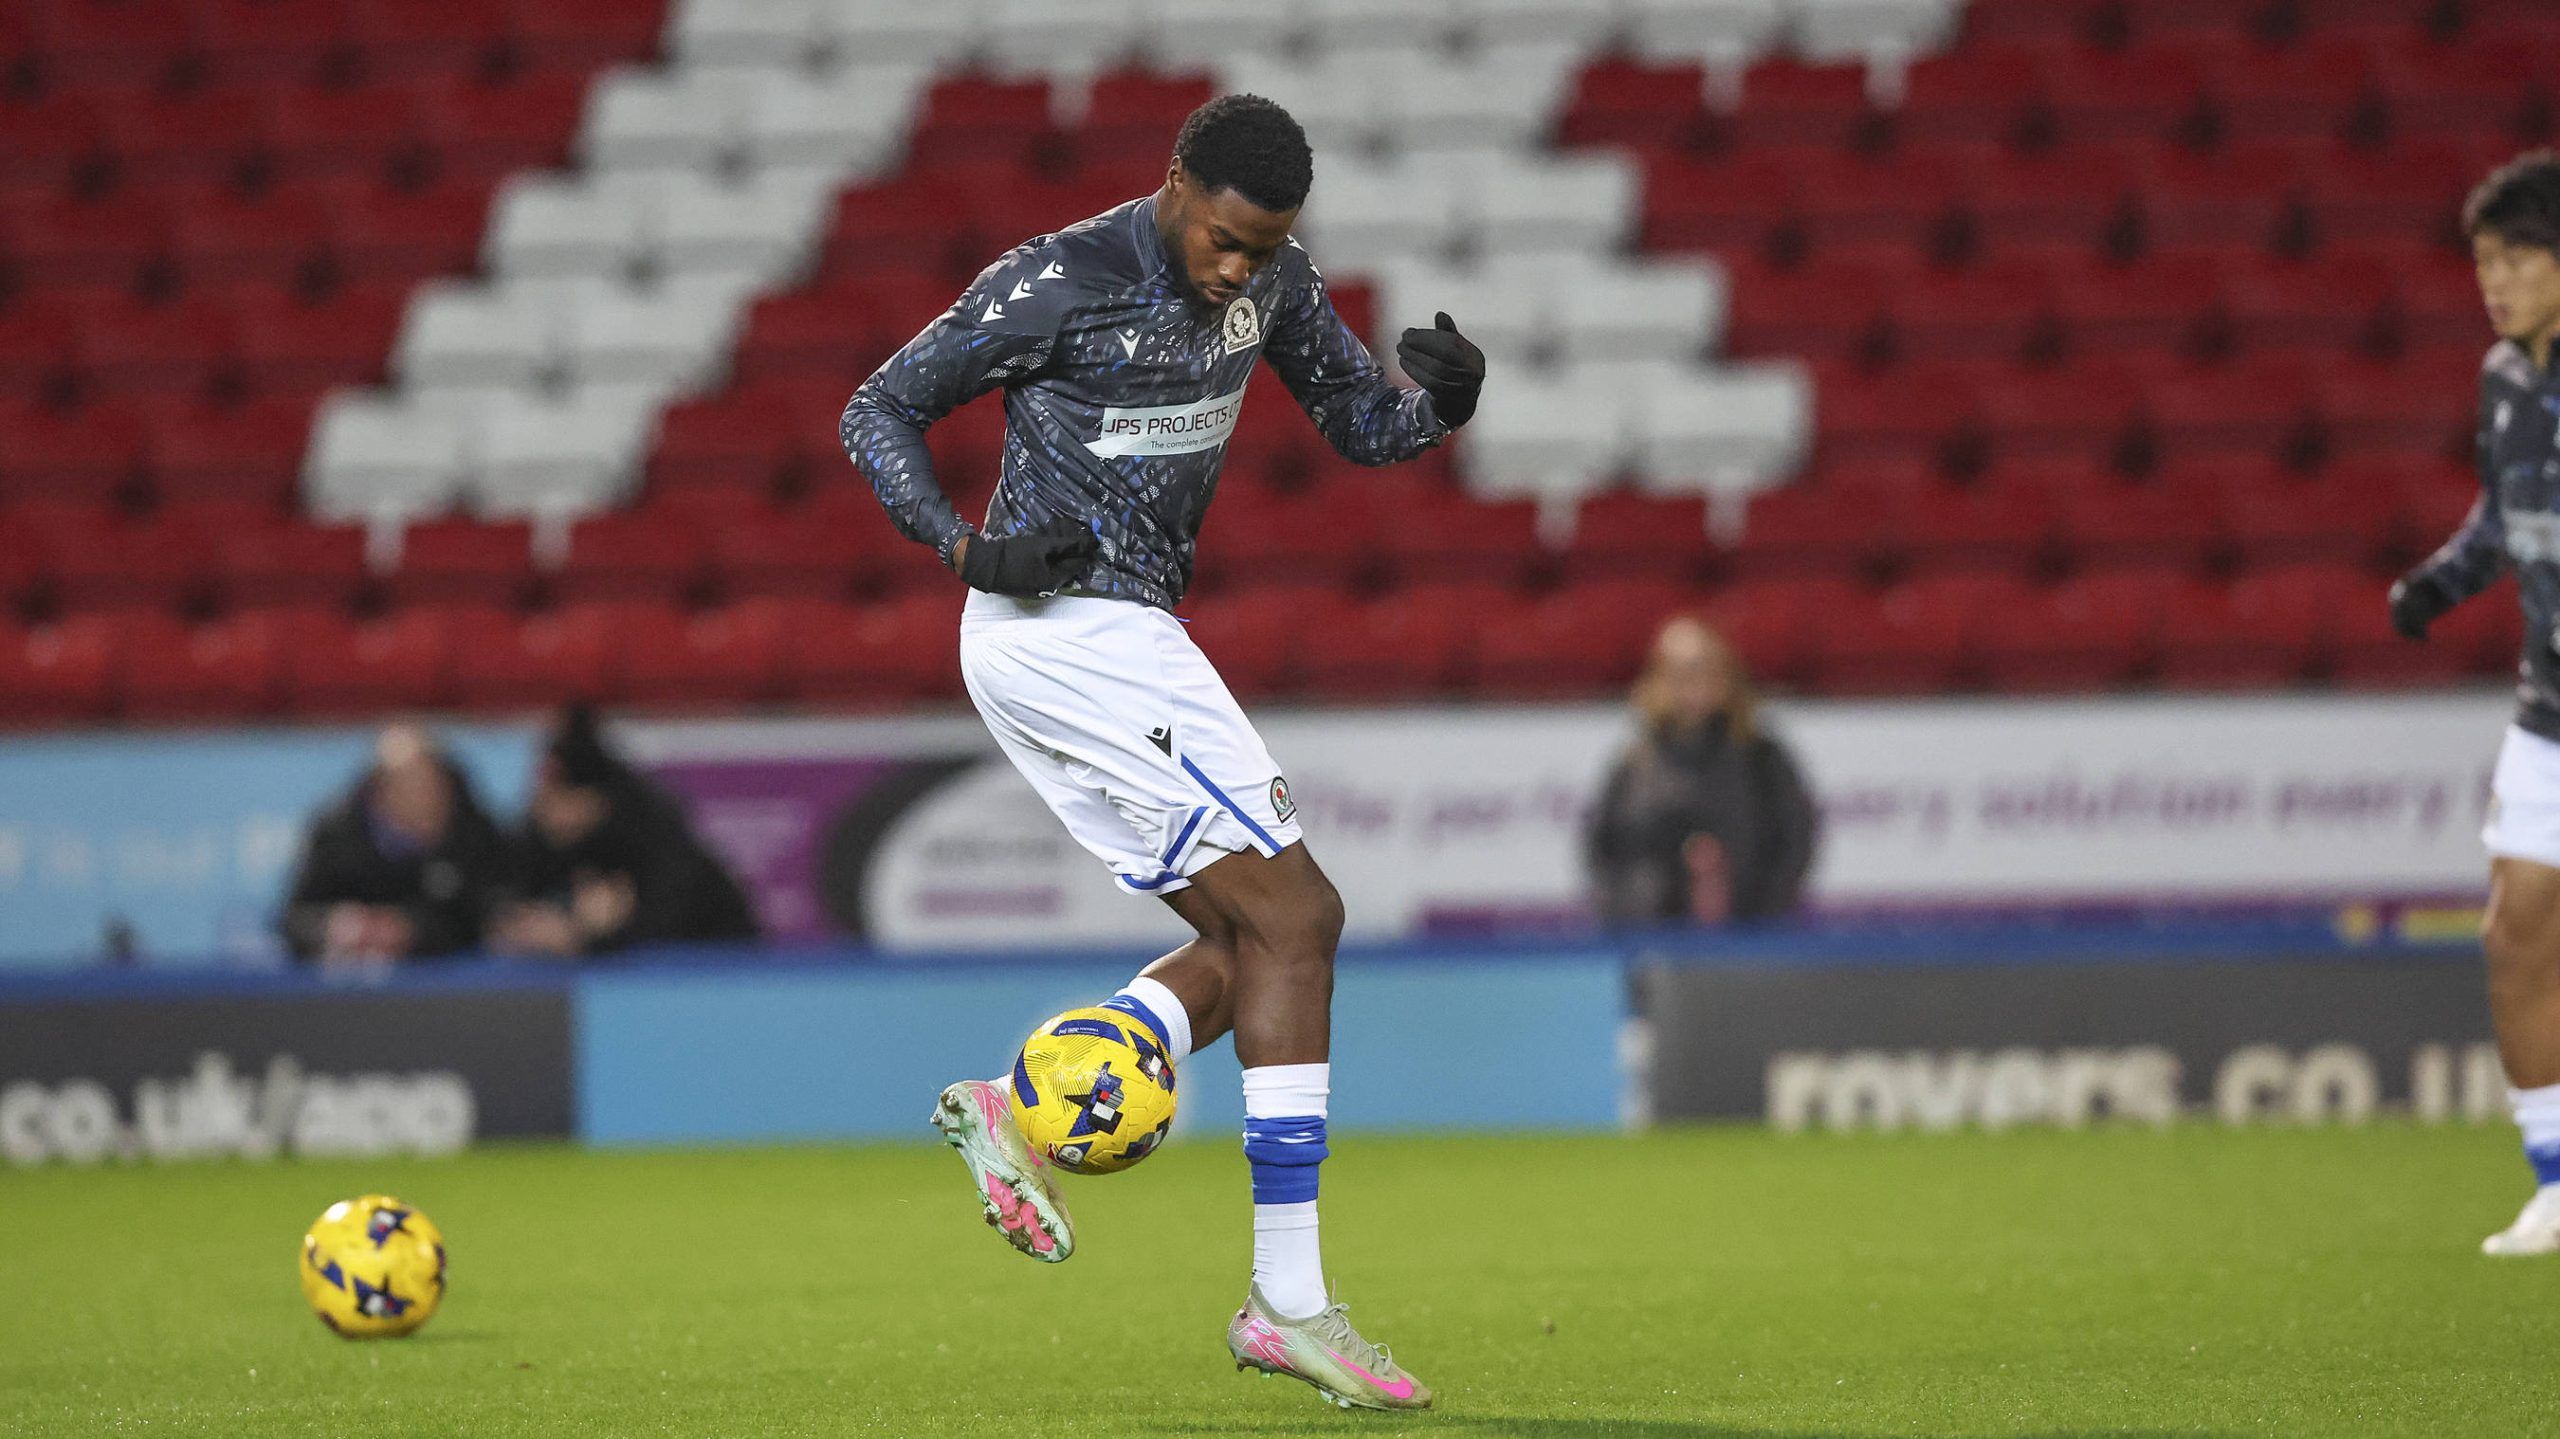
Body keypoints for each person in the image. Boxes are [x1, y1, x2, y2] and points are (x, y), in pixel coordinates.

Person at [840, 95, 1482, 1409]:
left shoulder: (1277, 281)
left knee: (1258, 938)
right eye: (1228, 239)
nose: (1241, 269)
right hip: (1063, 628)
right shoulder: (1060, 277)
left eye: (1268, 247)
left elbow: (1360, 420)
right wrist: (967, 547)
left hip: (1116, 636)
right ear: (1177, 184)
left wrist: (1443, 404)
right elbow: (875, 411)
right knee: (1303, 913)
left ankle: (1021, 1106)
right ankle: (1287, 1301)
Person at [2390, 150, 2560, 1257]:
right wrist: (2438, 584)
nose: (2493, 280)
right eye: (2483, 261)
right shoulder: (2504, 377)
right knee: (2514, 932)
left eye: (2518, 256)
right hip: (2548, 707)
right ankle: (2555, 1175)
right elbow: (2503, 516)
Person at [1586, 616, 1818, 928]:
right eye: (1680, 671)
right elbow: (1602, 848)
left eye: (1705, 669)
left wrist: (1768, 913)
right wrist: (1626, 911)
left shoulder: (1761, 759)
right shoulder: (1634, 762)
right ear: (1657, 679)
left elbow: (1795, 839)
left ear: (1728, 677)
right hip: (1650, 935)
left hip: (1750, 932)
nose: (1694, 682)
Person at [486, 705, 759, 958]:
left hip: (709, 975)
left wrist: (591, 936)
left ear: (594, 802)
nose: (544, 810)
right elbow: (502, 898)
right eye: (542, 798)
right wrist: (520, 924)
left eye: (560, 800)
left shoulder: (655, 842)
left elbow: (670, 924)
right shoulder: (538, 842)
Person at [281, 723, 508, 968]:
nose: (427, 802)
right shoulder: (338, 836)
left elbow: (487, 916)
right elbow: (295, 921)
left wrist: (410, 930)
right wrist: (338, 926)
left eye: (433, 788)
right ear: (381, 793)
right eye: (412, 789)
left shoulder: (473, 833)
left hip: (453, 989)